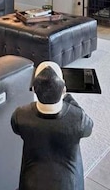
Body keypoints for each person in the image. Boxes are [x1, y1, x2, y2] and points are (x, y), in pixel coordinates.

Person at [11, 61, 93, 190]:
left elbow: (16, 129)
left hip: (30, 183)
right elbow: (89, 129)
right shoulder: (78, 117)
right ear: (63, 88)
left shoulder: (20, 115)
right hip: (69, 185)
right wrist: (68, 98)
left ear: (33, 88)